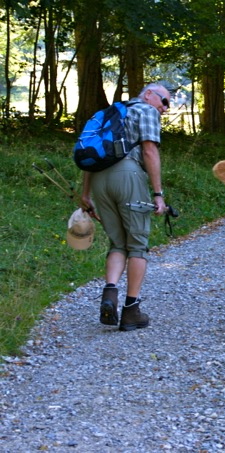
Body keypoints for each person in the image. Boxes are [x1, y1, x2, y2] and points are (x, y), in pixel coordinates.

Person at [80, 82, 171, 331]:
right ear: (149, 94)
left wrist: (85, 193)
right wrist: (158, 194)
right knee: (138, 245)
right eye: (164, 102)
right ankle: (131, 310)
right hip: (128, 176)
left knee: (117, 243)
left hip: (99, 179)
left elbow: (93, 154)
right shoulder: (146, 111)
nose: (165, 108)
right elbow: (150, 151)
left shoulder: (110, 112)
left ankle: (110, 294)